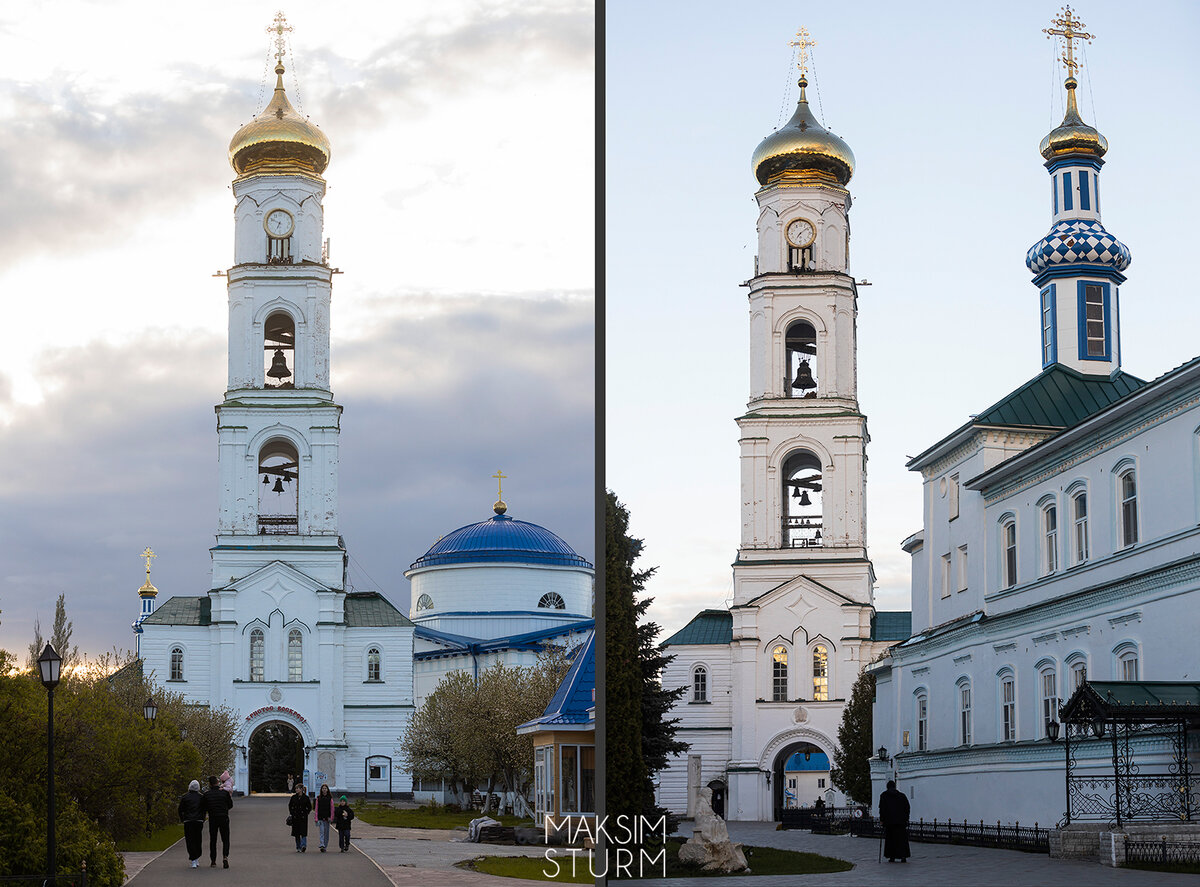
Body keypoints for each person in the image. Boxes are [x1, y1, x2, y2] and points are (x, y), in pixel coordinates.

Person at [202, 774, 234, 868]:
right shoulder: (224, 793)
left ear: (210, 784)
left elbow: (204, 807)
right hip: (223, 817)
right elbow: (230, 805)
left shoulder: (207, 794)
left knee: (213, 839)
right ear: (217, 782)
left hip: (213, 818)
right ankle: (225, 856)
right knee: (225, 838)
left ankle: (213, 861)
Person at [878, 779, 911, 863]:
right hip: (901, 822)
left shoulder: (884, 796)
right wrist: (906, 818)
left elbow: (882, 809)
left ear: (887, 787)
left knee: (890, 839)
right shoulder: (902, 796)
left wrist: (882, 819)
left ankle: (891, 856)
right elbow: (907, 808)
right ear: (895, 786)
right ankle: (903, 856)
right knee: (901, 840)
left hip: (889, 822)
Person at [177, 779, 206, 869]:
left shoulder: (185, 797)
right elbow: (204, 809)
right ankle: (197, 857)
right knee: (198, 839)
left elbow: (180, 809)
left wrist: (183, 819)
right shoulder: (201, 797)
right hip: (198, 821)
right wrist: (203, 818)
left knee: (190, 840)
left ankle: (193, 859)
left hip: (188, 821)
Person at [289, 782, 313, 852]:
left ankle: (303, 845)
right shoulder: (293, 797)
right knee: (296, 833)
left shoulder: (306, 798)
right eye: (296, 788)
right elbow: (290, 806)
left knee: (303, 832)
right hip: (295, 817)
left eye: (298, 788)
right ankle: (298, 847)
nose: (296, 790)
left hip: (303, 817)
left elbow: (309, 807)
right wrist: (292, 813)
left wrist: (306, 813)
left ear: (302, 789)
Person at [314, 783, 333, 852]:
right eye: (323, 788)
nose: (324, 790)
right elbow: (316, 808)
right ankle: (322, 844)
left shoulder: (330, 798)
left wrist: (331, 817)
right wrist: (316, 818)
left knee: (326, 833)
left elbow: (332, 809)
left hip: (327, 818)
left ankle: (325, 845)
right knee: (321, 832)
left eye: (325, 788)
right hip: (320, 817)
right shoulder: (318, 798)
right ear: (321, 790)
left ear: (327, 790)